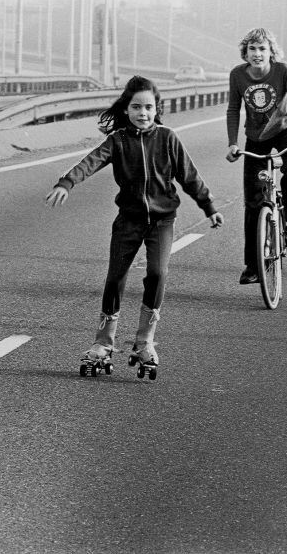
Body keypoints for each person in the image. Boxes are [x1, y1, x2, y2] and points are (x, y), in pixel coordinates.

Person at [45, 75, 224, 372]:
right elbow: (90, 162)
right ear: (126, 109)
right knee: (115, 278)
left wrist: (209, 207)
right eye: (137, 107)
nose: (143, 113)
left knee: (157, 273)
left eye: (149, 107)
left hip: (162, 221)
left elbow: (189, 176)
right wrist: (67, 183)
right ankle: (103, 342)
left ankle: (144, 342)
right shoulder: (118, 141)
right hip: (128, 220)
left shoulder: (168, 138)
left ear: (157, 109)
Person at [225, 27, 287, 285]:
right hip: (255, 138)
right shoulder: (237, 75)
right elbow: (233, 109)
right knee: (253, 201)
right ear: (245, 53)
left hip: (283, 131)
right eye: (252, 49)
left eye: (262, 49)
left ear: (271, 52)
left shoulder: (282, 71)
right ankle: (253, 267)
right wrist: (232, 144)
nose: (257, 54)